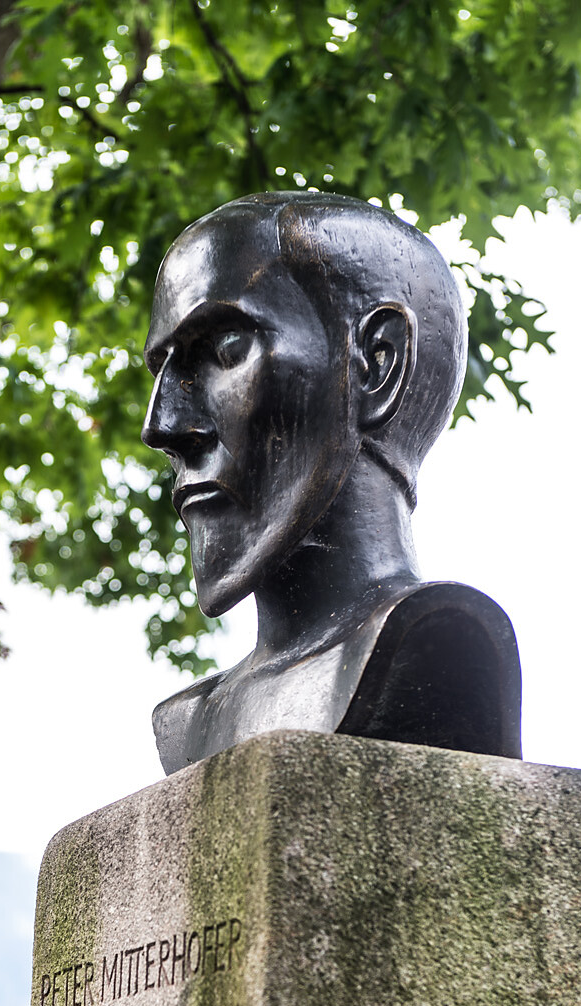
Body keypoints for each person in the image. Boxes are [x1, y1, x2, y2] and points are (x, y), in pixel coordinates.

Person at [142, 191, 522, 775]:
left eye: (225, 349)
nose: (164, 425)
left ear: (375, 364)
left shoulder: (441, 644)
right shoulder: (188, 718)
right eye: (163, 368)